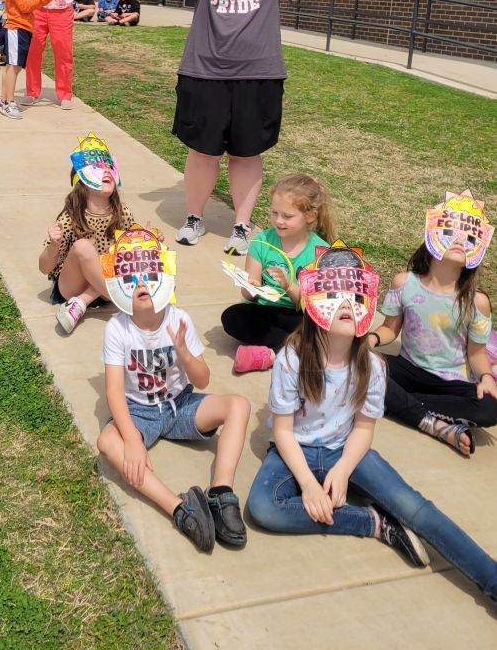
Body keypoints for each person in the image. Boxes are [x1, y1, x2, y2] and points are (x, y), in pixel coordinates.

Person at [247, 243, 497, 602]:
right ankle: (373, 523)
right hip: (294, 450)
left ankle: (491, 578)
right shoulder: (292, 356)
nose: (346, 303)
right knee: (263, 507)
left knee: (415, 508)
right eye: (333, 294)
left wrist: (344, 469)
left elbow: (364, 429)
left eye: (356, 294)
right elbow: (283, 431)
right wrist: (308, 483)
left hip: (347, 450)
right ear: (313, 301)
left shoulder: (374, 366)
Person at [172, 0, 316, 256]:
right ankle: (194, 217)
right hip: (205, 70)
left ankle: (241, 224)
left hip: (260, 72)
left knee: (247, 154)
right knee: (203, 152)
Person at [97, 225, 251, 553]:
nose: (141, 282)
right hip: (140, 411)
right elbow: (113, 393)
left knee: (238, 405)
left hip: (180, 404)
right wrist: (132, 441)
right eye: (131, 276)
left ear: (164, 276)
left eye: (148, 273)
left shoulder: (178, 318)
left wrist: (183, 352)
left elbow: (204, 379)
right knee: (107, 441)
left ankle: (222, 493)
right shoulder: (117, 328)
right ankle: (180, 509)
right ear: (118, 283)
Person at [370, 191, 496, 457]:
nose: (460, 241)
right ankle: (434, 421)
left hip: (451, 382)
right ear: (433, 236)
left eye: (470, 238)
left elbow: (476, 354)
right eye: (450, 233)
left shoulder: (477, 302)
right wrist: (371, 340)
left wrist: (486, 377)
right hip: (408, 370)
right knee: (360, 365)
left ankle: (400, 403)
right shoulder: (404, 283)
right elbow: (390, 328)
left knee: (490, 408)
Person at [221, 174, 332, 373]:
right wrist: (249, 286)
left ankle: (272, 353)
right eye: (274, 213)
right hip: (266, 310)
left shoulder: (321, 252)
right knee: (232, 317)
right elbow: (249, 296)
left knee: (320, 328)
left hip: (299, 313)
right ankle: (296, 350)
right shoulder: (261, 241)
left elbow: (314, 306)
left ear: (310, 216)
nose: (279, 221)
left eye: (287, 216)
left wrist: (289, 286)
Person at [39, 133, 135, 333]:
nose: (106, 172)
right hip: (73, 286)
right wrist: (53, 246)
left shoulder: (122, 213)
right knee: (83, 247)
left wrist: (152, 239)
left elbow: (134, 248)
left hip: (104, 288)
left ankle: (82, 303)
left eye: (109, 166)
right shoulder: (70, 217)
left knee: (132, 247)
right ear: (82, 181)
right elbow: (44, 267)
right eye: (97, 168)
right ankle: (130, 305)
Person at [0, 0, 54, 119]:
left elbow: (26, 3)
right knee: (14, 67)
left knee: (11, 66)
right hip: (17, 28)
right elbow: (24, 6)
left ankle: (3, 100)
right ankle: (8, 103)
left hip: (21, 29)